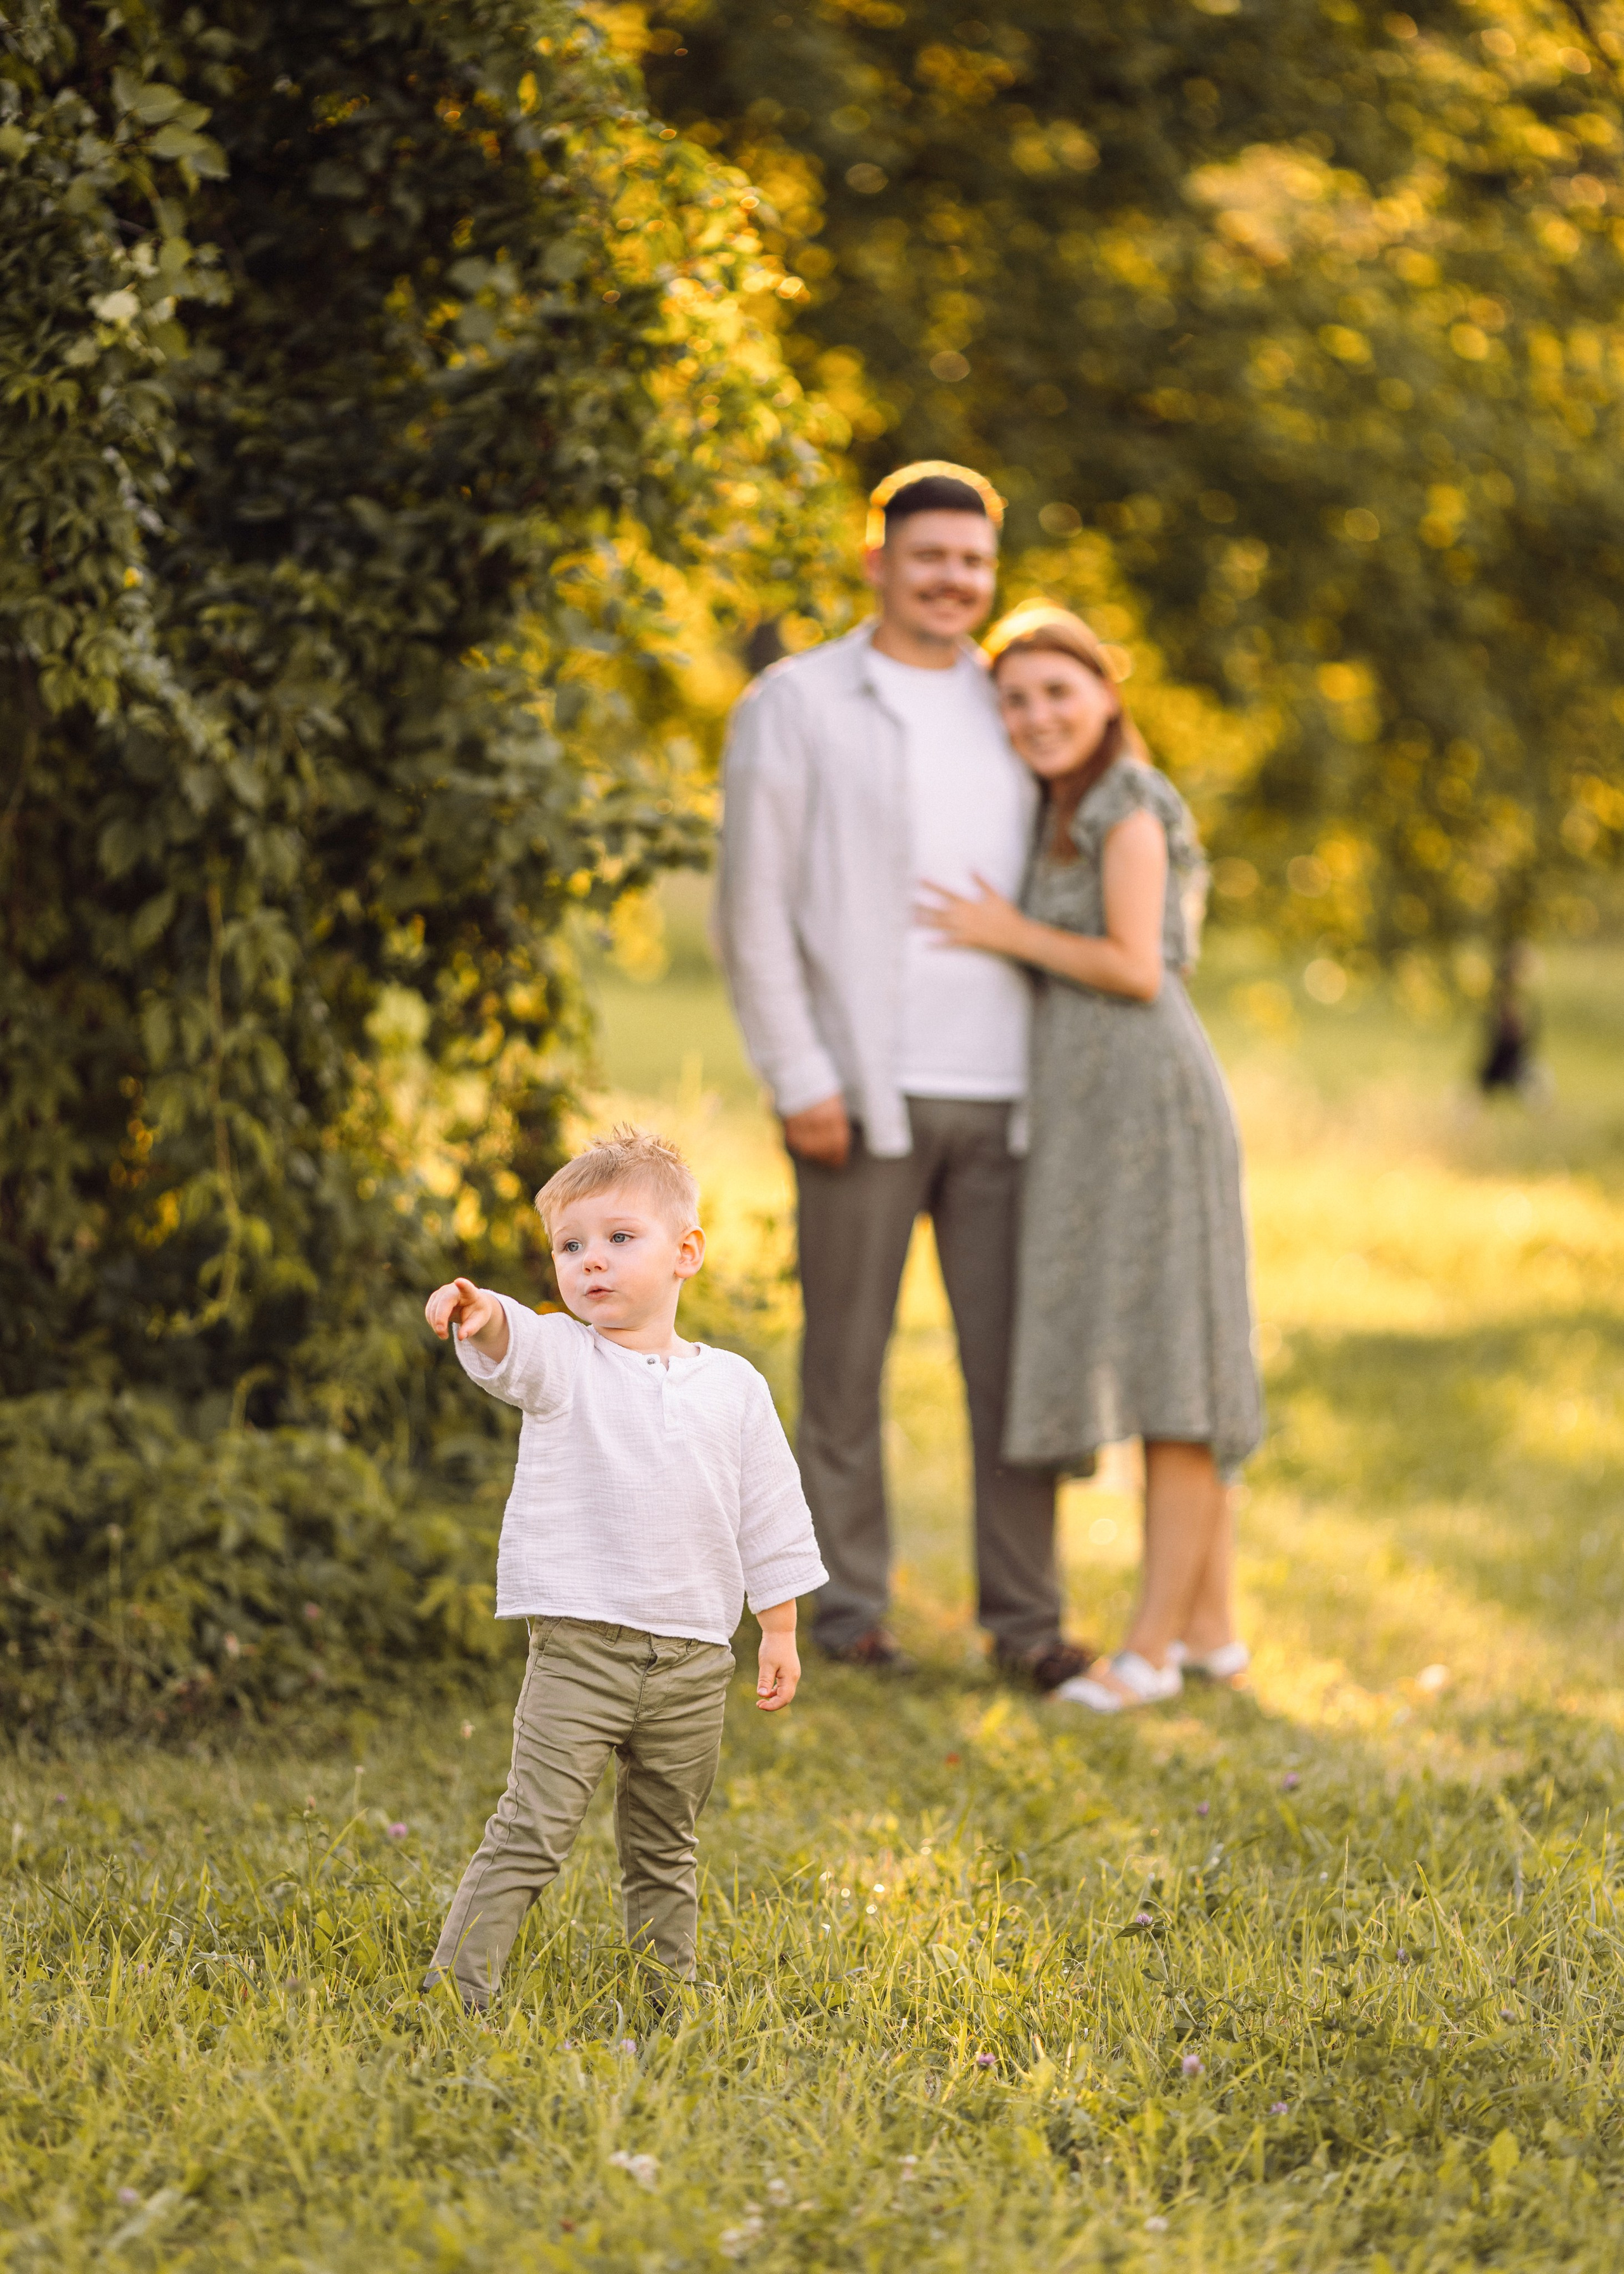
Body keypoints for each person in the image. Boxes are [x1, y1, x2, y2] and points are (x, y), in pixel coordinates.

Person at [716, 464, 1090, 1692]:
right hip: (859, 1091)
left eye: (974, 563)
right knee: (846, 1364)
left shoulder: (1015, 702)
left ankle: (1029, 1624)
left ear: (993, 572)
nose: (952, 581)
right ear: (876, 559)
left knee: (1017, 1367)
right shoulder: (802, 701)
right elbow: (752, 907)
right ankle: (847, 1614)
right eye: (929, 557)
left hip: (1013, 1093)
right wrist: (796, 1071)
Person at [919, 603, 1263, 1712]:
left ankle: (1152, 1650)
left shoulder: (1127, 803)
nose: (1037, 716)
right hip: (1091, 1118)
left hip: (1150, 1109)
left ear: (1108, 694)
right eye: (1016, 700)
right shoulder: (1061, 806)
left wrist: (1002, 929)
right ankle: (1211, 1629)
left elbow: (1133, 966)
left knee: (1175, 1371)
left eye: (1058, 692)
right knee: (1170, 1349)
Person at [421, 1127, 827, 2009]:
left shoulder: (735, 1387)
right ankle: (459, 1989)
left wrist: (781, 1627)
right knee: (532, 1827)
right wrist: (479, 1311)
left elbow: (770, 1511)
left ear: (686, 1254)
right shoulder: (568, 1358)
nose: (589, 1264)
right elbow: (512, 1342)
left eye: (618, 1239)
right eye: (570, 1247)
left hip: (692, 1664)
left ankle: (662, 1995)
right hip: (581, 1649)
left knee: (664, 1843)